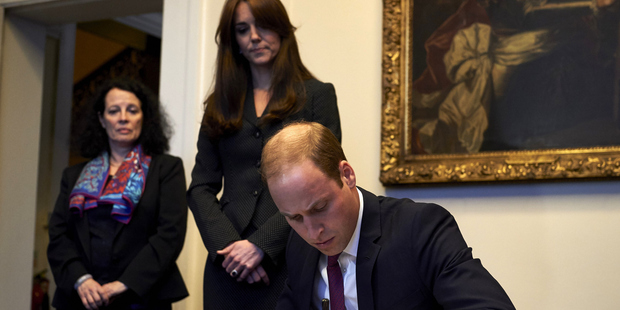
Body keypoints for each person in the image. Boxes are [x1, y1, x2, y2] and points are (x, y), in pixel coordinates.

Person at [261, 121, 515, 310]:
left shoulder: (420, 228)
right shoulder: (299, 246)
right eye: (294, 218)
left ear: (346, 175)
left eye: (319, 208)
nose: (312, 232)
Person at [186, 0, 341, 309]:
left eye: (263, 25)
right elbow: (200, 187)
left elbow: (328, 179)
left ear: (282, 29)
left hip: (291, 253)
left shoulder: (317, 95)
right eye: (242, 30)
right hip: (227, 265)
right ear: (235, 41)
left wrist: (261, 245)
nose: (254, 37)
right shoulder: (220, 103)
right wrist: (230, 247)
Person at [47, 78, 189, 310]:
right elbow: (59, 236)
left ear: (144, 117)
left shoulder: (167, 169)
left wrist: (124, 284)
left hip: (140, 297)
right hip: (81, 297)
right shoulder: (73, 175)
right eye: (114, 111)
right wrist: (81, 281)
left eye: (132, 110)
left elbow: (170, 235)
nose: (123, 117)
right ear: (102, 120)